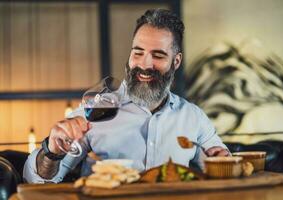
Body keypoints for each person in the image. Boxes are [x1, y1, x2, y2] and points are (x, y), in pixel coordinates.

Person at [23, 8, 229, 183]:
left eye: (158, 55)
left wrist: (222, 162)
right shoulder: (95, 110)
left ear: (176, 61)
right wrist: (51, 152)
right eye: (138, 52)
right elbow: (36, 180)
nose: (144, 65)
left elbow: (222, 170)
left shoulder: (194, 117)